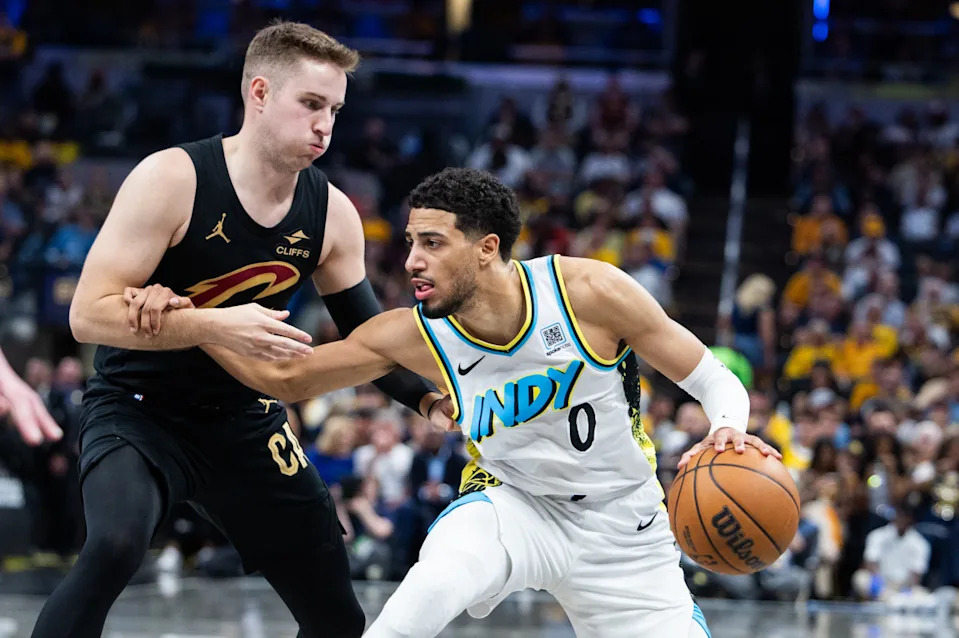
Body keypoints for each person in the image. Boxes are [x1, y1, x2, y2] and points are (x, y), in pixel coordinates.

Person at [142, 167, 779, 637]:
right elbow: (288, 380)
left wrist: (728, 427)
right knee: (425, 594)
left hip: (623, 525)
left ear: (487, 248)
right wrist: (194, 319)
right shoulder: (415, 334)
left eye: (432, 243)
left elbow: (713, 378)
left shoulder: (588, 291)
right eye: (410, 242)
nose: (411, 261)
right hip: (513, 503)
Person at [32, 21, 447, 638]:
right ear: (259, 93)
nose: (325, 125)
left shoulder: (332, 212)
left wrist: (428, 400)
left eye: (335, 110)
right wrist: (214, 324)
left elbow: (369, 336)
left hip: (244, 417)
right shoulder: (172, 178)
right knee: (115, 545)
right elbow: (86, 314)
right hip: (140, 407)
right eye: (311, 104)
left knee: (337, 612)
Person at [0, 348, 63, 445]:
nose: (34, 375)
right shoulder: (13, 393)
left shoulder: (56, 395)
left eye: (38, 372)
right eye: (32, 372)